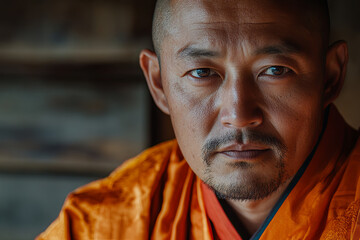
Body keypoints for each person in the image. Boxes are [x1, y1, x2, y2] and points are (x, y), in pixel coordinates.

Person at [37, 0, 360, 239]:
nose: (238, 115)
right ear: (159, 83)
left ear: (330, 76)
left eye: (275, 70)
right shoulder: (109, 223)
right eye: (202, 73)